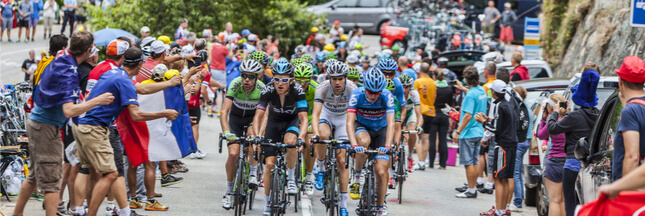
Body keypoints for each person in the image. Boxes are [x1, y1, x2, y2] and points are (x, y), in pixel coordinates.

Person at [11, 31, 113, 216]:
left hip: (37, 122)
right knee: (52, 182)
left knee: (34, 177)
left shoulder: (62, 56)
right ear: (89, 51)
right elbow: (69, 110)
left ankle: (16, 214)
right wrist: (97, 100)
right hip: (45, 127)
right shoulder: (69, 71)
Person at [73, 47, 179, 216]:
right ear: (139, 64)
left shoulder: (112, 73)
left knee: (85, 169)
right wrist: (164, 113)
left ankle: (79, 210)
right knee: (111, 174)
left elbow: (141, 90)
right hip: (95, 127)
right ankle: (91, 213)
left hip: (81, 123)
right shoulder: (125, 81)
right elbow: (136, 115)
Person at [252, 59, 308, 216]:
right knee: (269, 165)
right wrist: (257, 136)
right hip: (274, 122)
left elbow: (304, 119)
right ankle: (268, 204)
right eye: (276, 79)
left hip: (292, 120)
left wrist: (301, 137)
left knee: (290, 142)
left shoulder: (298, 90)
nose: (280, 83)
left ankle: (291, 178)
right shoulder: (268, 90)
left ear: (291, 80)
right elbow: (258, 116)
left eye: (285, 80)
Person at [547, 69, 599, 216]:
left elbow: (552, 128)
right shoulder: (599, 115)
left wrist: (555, 112)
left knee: (571, 202)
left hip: (572, 164)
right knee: (588, 203)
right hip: (591, 166)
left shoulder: (574, 117)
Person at [310, 62, 356, 216]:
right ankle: (321, 167)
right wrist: (315, 133)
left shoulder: (352, 89)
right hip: (326, 115)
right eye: (334, 79)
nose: (337, 82)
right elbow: (316, 114)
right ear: (329, 78)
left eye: (340, 79)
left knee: (342, 161)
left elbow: (354, 116)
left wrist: (352, 138)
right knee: (323, 136)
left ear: (345, 78)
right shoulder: (322, 88)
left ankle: (343, 205)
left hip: (344, 119)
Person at [220, 59, 264, 209]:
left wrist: (259, 132)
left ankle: (253, 173)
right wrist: (226, 132)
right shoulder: (235, 84)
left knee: (252, 138)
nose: (246, 79)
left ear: (257, 77)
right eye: (244, 75)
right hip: (236, 119)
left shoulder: (262, 88)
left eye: (251, 76)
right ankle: (228, 191)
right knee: (233, 154)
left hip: (253, 119)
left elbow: (264, 115)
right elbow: (224, 111)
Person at [475, 79, 519, 216]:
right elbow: (501, 123)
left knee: (499, 178)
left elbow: (496, 129)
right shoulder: (508, 104)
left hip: (503, 145)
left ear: (493, 92)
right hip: (512, 144)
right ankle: (504, 209)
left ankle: (499, 211)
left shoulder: (499, 106)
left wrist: (483, 122)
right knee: (506, 178)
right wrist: (488, 119)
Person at [452, 66, 487, 199]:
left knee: (468, 162)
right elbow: (474, 95)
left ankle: (471, 189)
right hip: (478, 130)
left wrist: (458, 131)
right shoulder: (481, 90)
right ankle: (473, 187)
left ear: (467, 79)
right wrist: (464, 89)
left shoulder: (471, 94)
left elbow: (467, 115)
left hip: (468, 133)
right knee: (475, 161)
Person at [612, 56, 645, 182]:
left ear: (620, 81)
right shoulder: (635, 109)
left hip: (634, 189)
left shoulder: (630, 111)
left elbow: (632, 156)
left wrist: (624, 191)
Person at [537, 93, 567, 216]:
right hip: (568, 162)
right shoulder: (569, 119)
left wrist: (544, 119)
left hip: (554, 162)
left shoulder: (551, 121)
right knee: (564, 201)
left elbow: (540, 135)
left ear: (551, 107)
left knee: (554, 201)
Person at [510, 86, 532, 212]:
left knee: (516, 173)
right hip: (526, 142)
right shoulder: (527, 107)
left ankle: (518, 202)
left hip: (520, 142)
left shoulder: (519, 108)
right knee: (518, 172)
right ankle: (518, 199)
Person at [429, 70, 454, 170]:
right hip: (444, 115)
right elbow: (451, 103)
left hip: (434, 114)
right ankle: (443, 164)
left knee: (432, 139)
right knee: (443, 139)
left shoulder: (433, 88)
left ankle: (431, 163)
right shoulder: (448, 89)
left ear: (434, 76)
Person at [413, 62, 435, 170]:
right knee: (426, 137)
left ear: (420, 70)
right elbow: (434, 96)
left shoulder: (418, 82)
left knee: (417, 136)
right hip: (431, 111)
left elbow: (413, 96)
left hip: (420, 112)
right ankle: (423, 161)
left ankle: (420, 161)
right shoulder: (433, 82)